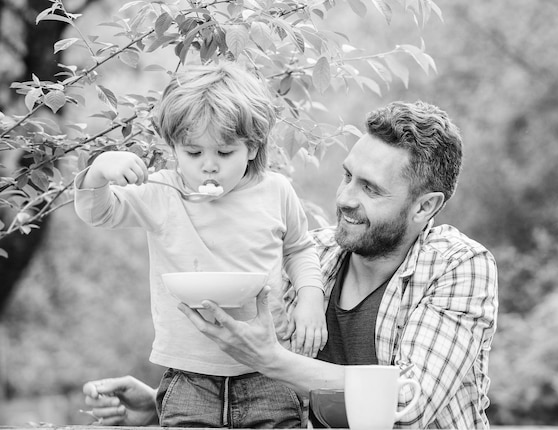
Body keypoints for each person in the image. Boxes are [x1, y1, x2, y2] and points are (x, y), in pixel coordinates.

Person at [82, 100, 498, 428]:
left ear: (425, 206)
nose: (345, 198)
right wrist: (166, 402)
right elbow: (270, 393)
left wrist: (271, 360)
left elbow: (408, 403)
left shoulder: (458, 266)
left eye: (370, 188)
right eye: (347, 176)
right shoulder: (316, 256)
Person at [74, 62, 327, 428]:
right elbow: (99, 213)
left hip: (268, 373)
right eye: (193, 153)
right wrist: (99, 169)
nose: (209, 167)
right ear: (173, 146)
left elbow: (299, 250)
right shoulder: (162, 191)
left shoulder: (275, 191)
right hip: (188, 377)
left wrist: (310, 299)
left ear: (253, 147)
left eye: (225, 154)